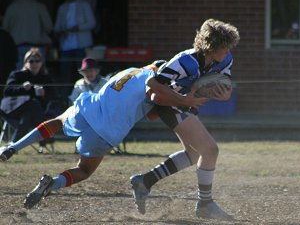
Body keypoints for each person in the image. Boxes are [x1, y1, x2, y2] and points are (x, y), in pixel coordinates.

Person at [0, 60, 207, 210]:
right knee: (84, 170)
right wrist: (182, 101)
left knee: (57, 122)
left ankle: (13, 147)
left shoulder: (134, 70)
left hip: (89, 108)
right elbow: (153, 114)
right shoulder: (157, 85)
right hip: (107, 131)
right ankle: (52, 184)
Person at [130, 18, 240, 220]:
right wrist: (183, 98)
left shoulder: (225, 59)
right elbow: (152, 82)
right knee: (210, 149)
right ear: (212, 46)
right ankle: (205, 204)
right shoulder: (185, 61)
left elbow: (226, 91)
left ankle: (144, 181)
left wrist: (221, 93)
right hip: (169, 104)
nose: (228, 51)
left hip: (184, 103)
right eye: (224, 46)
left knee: (194, 154)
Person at [0, 47, 57, 149]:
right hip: (13, 110)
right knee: (33, 104)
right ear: (25, 63)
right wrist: (22, 88)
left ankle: (14, 146)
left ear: (41, 63)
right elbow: (7, 92)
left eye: (37, 61)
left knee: (29, 113)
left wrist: (44, 94)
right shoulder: (17, 75)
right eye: (31, 61)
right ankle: (44, 138)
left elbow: (53, 97)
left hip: (32, 114)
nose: (34, 64)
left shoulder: (46, 78)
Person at [54, 0, 96, 101]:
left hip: (81, 46)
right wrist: (61, 31)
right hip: (66, 46)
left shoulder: (84, 4)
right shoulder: (62, 7)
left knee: (84, 75)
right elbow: (56, 27)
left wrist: (78, 27)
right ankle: (64, 101)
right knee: (65, 76)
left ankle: (85, 99)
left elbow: (92, 23)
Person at [2, 0, 53, 69]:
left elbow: (5, 29)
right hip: (36, 48)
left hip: (17, 48)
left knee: (19, 77)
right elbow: (49, 27)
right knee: (36, 78)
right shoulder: (39, 7)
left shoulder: (12, 8)